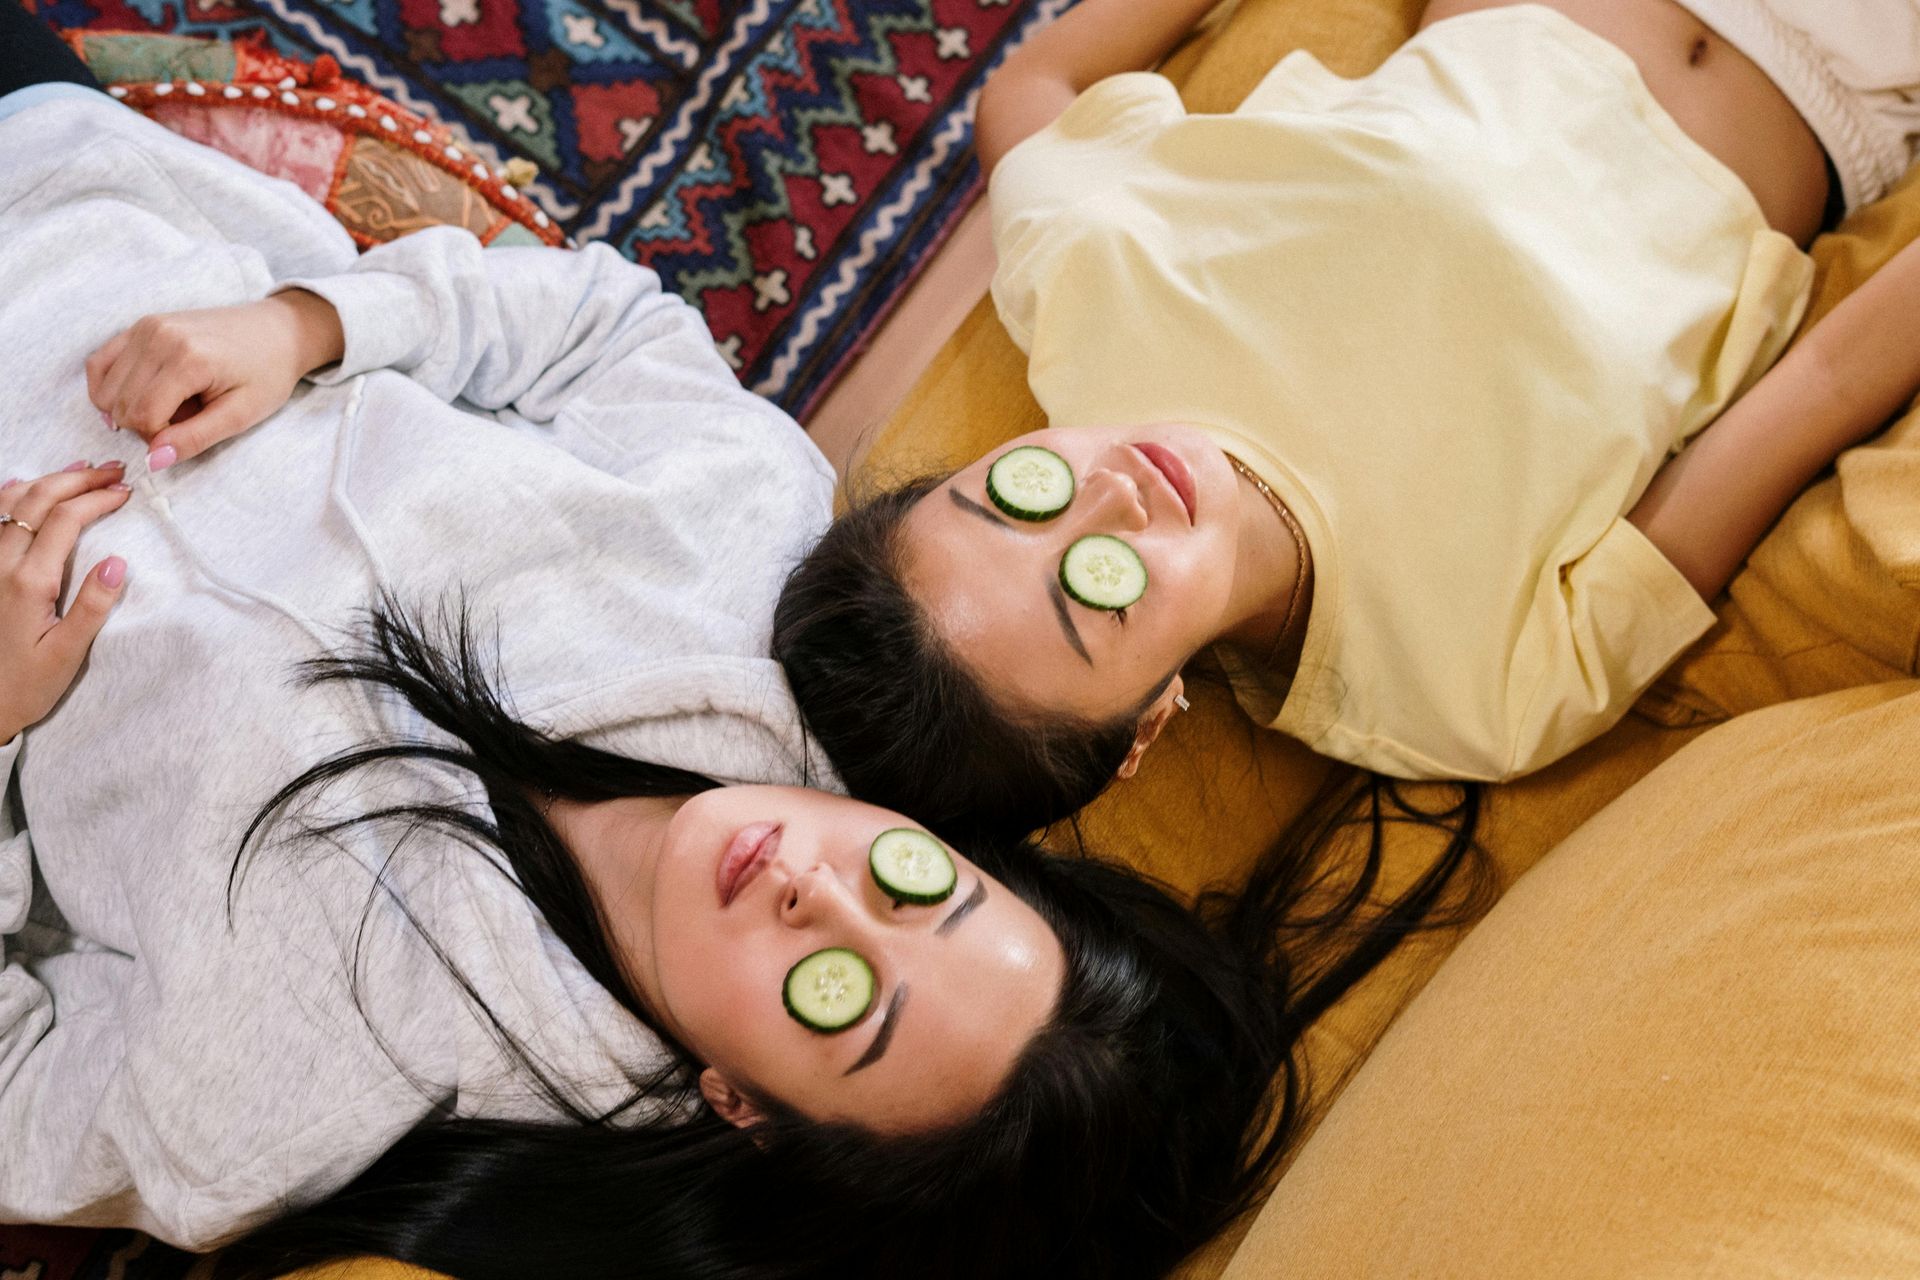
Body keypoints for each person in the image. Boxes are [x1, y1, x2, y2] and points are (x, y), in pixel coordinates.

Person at [0, 14, 1486, 1278]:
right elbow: (596, 323)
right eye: (920, 888)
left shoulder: (293, 1106)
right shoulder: (759, 581)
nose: (810, 888)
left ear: (747, 1107)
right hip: (69, 189)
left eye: (835, 1004)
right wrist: (309, 322)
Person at [773, 0, 1920, 843]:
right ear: (1144, 727)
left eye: (1011, 497)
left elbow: (1022, 94)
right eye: (1094, 591)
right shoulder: (1478, 695)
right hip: (1849, 77)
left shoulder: (1085, 292)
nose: (1110, 495)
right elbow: (1811, 390)